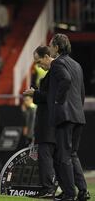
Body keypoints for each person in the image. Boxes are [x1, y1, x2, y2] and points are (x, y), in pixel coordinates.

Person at [48, 34, 90, 201]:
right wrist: (77, 109)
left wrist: (58, 100)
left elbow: (65, 80)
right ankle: (83, 191)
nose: (50, 48)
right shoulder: (77, 64)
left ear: (57, 47)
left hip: (65, 116)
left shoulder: (57, 63)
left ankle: (68, 194)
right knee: (72, 154)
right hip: (78, 115)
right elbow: (81, 92)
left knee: (63, 156)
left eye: (51, 45)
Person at [23, 45, 57, 198]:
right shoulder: (52, 72)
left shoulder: (57, 71)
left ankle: (49, 188)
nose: (38, 65)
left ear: (46, 57)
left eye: (38, 62)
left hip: (49, 121)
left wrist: (35, 93)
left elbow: (51, 97)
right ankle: (49, 188)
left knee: (46, 156)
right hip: (49, 121)